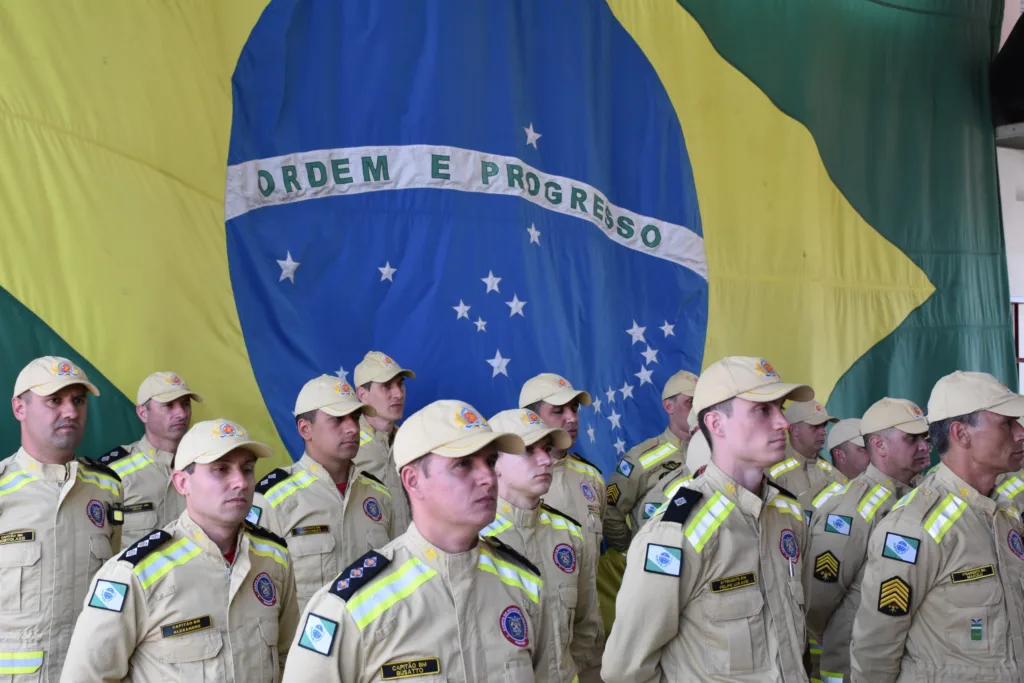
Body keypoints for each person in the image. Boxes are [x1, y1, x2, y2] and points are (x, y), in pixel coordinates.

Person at [281, 400, 552, 682]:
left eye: (490, 462)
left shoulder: (524, 586)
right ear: (412, 481)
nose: (487, 477)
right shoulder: (350, 608)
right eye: (463, 464)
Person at [603, 356, 813, 683]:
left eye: (780, 408)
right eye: (763, 410)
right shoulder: (676, 533)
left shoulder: (787, 514)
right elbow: (625, 670)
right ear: (716, 424)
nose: (782, 423)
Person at [60, 419, 300, 682]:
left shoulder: (273, 558)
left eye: (247, 469)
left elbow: (289, 661)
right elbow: (86, 676)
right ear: (182, 482)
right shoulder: (134, 575)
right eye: (221, 469)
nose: (240, 482)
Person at [850, 371, 1024, 682]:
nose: (1021, 432)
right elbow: (875, 649)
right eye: (1007, 424)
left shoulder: (1003, 514)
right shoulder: (914, 528)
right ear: (961, 434)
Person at [0, 356, 122, 681]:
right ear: (19, 408)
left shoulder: (108, 488)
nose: (70, 411)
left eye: (78, 400)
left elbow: (112, 584)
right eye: (54, 400)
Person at [804, 398, 930, 683]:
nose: (924, 446)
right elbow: (820, 596)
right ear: (879, 445)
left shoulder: (921, 495)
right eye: (911, 439)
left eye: (925, 437)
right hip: (853, 663)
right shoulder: (853, 508)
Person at [250, 375, 393, 611]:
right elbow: (258, 596)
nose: (352, 428)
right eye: (337, 419)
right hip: (306, 634)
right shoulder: (272, 500)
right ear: (305, 429)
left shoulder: (378, 494)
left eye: (355, 417)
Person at [484, 408, 602, 682]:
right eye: (528, 450)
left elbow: (586, 625)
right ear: (494, 462)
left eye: (547, 449)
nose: (546, 460)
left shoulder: (569, 535)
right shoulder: (474, 539)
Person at [99, 371, 202, 547]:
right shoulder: (113, 473)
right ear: (143, 413)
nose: (181, 413)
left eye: (185, 404)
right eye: (169, 405)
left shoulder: (208, 466)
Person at [603, 370, 697, 553]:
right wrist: (632, 550)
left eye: (701, 402)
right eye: (690, 403)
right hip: (657, 561)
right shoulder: (639, 458)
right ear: (669, 406)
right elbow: (610, 512)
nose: (697, 410)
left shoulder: (719, 454)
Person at [519, 373, 606, 552]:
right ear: (531, 418)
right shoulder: (509, 481)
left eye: (574, 409)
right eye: (558, 411)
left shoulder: (591, 477)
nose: (572, 418)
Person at [353, 351, 415, 536]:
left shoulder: (412, 440)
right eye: (387, 386)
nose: (398, 394)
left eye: (400, 384)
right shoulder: (346, 447)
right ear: (362, 394)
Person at [769, 399, 845, 519]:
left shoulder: (833, 473)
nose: (824, 432)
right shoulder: (771, 471)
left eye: (824, 425)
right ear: (794, 430)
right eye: (816, 426)